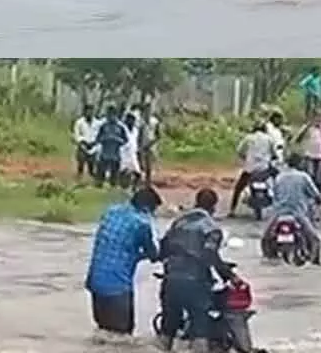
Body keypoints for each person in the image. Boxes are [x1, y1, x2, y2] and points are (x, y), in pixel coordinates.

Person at [156, 189, 236, 353]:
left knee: (167, 328)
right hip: (195, 283)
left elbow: (162, 250)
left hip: (170, 282)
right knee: (200, 327)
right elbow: (210, 255)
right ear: (214, 206)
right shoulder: (212, 229)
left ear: (196, 202)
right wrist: (229, 275)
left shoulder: (178, 223)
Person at [85, 187, 161, 335]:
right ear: (146, 208)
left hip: (95, 282)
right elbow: (152, 253)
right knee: (123, 336)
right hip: (118, 287)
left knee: (103, 331)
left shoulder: (111, 212)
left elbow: (120, 246)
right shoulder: (141, 223)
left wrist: (135, 254)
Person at [265, 153, 321, 264]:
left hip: (279, 213)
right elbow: (315, 194)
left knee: (266, 238)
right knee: (315, 239)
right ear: (301, 164)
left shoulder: (280, 177)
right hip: (298, 213)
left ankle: (270, 255)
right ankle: (316, 261)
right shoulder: (304, 177)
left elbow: (274, 194)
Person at [229, 122, 276, 217]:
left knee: (238, 188)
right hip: (264, 169)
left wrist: (245, 158)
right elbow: (273, 153)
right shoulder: (269, 139)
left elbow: (240, 151)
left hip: (250, 170)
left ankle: (232, 210)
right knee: (278, 181)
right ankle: (278, 203)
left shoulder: (248, 138)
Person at [94, 106, 128, 188]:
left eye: (112, 115)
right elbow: (98, 139)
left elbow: (125, 140)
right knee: (100, 174)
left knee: (114, 175)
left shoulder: (120, 127)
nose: (110, 117)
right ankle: (99, 186)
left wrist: (117, 139)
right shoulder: (103, 126)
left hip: (115, 155)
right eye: (109, 115)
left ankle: (113, 187)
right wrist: (105, 138)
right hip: (104, 154)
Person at [73, 105, 101, 180]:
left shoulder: (98, 123)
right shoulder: (79, 122)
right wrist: (82, 141)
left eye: (91, 111)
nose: (89, 113)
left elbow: (99, 134)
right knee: (81, 163)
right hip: (83, 146)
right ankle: (79, 179)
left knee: (91, 165)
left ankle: (92, 180)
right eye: (88, 111)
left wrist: (95, 142)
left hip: (94, 146)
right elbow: (76, 134)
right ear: (85, 112)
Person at [136, 104, 161, 185]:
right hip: (142, 145)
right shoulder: (140, 121)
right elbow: (139, 134)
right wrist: (139, 145)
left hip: (151, 145)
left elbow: (158, 134)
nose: (148, 112)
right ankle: (140, 180)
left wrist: (152, 143)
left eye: (149, 110)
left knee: (149, 164)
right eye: (146, 110)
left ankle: (148, 181)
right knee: (141, 164)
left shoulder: (155, 121)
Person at [119, 112, 142, 188]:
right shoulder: (122, 128)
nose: (131, 122)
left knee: (138, 173)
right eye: (129, 120)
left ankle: (134, 188)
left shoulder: (136, 130)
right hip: (124, 153)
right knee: (123, 172)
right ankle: (123, 187)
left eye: (133, 120)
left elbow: (136, 140)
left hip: (133, 154)